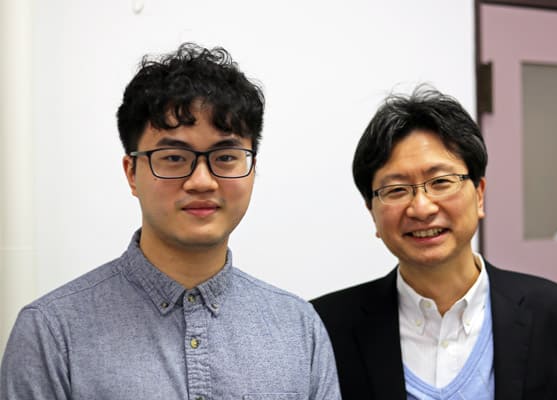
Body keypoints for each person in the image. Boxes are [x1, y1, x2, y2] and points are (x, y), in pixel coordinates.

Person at [1, 43, 341, 400]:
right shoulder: (53, 332)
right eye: (174, 157)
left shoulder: (298, 327)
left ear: (252, 168)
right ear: (132, 173)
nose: (202, 181)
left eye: (226, 157)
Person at [311, 86, 557, 400]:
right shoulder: (324, 326)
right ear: (372, 213)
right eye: (396, 190)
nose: (421, 208)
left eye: (441, 182)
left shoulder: (556, 316)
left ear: (479, 195)